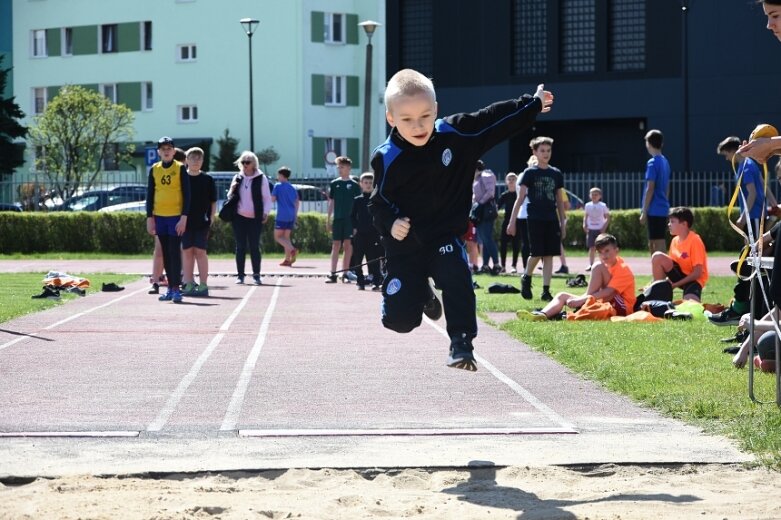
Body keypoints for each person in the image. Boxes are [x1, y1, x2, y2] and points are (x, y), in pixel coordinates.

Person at [368, 68, 553, 371]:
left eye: (425, 116)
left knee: (456, 275)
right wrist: (390, 223)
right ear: (391, 118)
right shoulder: (386, 157)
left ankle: (461, 343)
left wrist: (531, 104)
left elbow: (493, 119)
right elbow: (378, 203)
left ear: (436, 110)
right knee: (398, 321)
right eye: (407, 120)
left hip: (444, 236)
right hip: (406, 247)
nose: (418, 126)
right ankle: (423, 294)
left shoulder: (456, 134)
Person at [516, 233, 635, 321]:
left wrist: (582, 299)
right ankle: (542, 315)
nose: (604, 255)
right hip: (607, 300)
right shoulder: (605, 266)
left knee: (597, 266)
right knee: (562, 295)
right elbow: (602, 293)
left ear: (616, 250)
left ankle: (582, 304)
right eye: (600, 252)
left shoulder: (623, 269)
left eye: (607, 251)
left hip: (623, 306)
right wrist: (583, 298)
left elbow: (609, 292)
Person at [507, 136, 567, 302]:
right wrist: (512, 221)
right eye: (542, 150)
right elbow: (520, 199)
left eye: (548, 150)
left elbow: (560, 201)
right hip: (534, 218)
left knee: (549, 255)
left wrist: (563, 223)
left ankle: (546, 290)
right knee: (536, 253)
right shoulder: (529, 173)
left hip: (551, 219)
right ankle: (527, 277)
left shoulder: (556, 173)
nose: (546, 153)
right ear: (535, 152)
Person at [145, 136, 190, 303]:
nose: (166, 151)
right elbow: (150, 195)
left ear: (173, 151)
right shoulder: (154, 169)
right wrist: (150, 217)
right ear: (158, 152)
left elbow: (187, 194)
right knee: (165, 252)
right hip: (160, 217)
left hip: (176, 217)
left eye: (169, 148)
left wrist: (184, 218)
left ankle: (176, 289)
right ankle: (170, 288)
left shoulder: (180, 168)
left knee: (174, 252)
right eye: (163, 149)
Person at [228, 151, 272, 285]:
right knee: (240, 246)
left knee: (254, 246)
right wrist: (233, 189)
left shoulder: (261, 178)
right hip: (239, 217)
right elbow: (230, 196)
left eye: (248, 162)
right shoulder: (237, 177)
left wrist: (265, 213)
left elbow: (267, 198)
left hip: (255, 218)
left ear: (254, 164)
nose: (245, 164)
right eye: (243, 162)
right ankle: (240, 275)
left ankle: (256, 275)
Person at [650, 206, 709, 302]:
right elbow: (670, 267)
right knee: (657, 256)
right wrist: (653, 284)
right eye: (669, 222)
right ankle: (658, 295)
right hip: (680, 277)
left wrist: (674, 285)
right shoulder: (674, 241)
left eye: (672, 222)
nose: (669, 224)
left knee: (690, 308)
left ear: (684, 224)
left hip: (694, 280)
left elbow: (697, 273)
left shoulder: (695, 240)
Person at [180, 147, 216, 297]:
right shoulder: (181, 178)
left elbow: (213, 201)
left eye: (198, 158)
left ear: (202, 161)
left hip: (202, 221)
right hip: (184, 221)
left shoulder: (207, 180)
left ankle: (203, 285)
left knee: (200, 252)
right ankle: (188, 283)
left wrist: (212, 217)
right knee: (187, 251)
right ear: (186, 160)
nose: (195, 161)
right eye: (192, 158)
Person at [718, 136, 767, 238]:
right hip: (754, 215)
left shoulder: (746, 167)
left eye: (726, 155)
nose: (727, 158)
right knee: (751, 249)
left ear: (733, 151)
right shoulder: (749, 163)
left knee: (755, 251)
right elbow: (763, 184)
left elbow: (752, 193)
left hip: (754, 215)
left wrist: (743, 218)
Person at [325, 156, 359, 283]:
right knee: (335, 245)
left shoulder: (354, 185)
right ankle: (333, 273)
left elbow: (358, 205)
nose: (339, 169)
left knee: (348, 245)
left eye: (342, 167)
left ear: (349, 168)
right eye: (338, 167)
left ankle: (345, 273)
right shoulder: (335, 183)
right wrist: (328, 220)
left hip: (349, 220)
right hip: (338, 219)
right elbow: (331, 202)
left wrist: (356, 223)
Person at [639, 129, 671, 255]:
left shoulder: (652, 163)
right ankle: (659, 272)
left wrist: (644, 211)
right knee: (656, 241)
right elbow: (667, 185)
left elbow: (650, 188)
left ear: (648, 144)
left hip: (654, 208)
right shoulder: (665, 161)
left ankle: (660, 272)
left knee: (656, 243)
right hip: (662, 206)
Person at [351, 172, 384, 290]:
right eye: (365, 182)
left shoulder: (376, 199)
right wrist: (355, 228)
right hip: (360, 234)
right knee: (358, 258)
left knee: (373, 259)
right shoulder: (357, 200)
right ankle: (360, 281)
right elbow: (352, 216)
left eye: (370, 182)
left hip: (374, 234)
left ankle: (376, 281)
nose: (368, 185)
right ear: (361, 184)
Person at [472, 160, 501, 274]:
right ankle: (485, 264)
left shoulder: (485, 175)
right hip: (480, 211)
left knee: (487, 238)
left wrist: (480, 203)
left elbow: (490, 192)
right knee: (484, 239)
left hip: (486, 210)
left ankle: (496, 264)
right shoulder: (477, 178)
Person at [271, 166, 300, 267]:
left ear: (282, 175)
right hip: (291, 215)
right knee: (286, 238)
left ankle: (293, 250)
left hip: (282, 215)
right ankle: (287, 260)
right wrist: (295, 215)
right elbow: (297, 202)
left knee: (277, 237)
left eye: (278, 175)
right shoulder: (292, 187)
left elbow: (272, 199)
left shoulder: (278, 186)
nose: (277, 177)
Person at [497, 172, 521, 273]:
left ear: (517, 181)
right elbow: (496, 207)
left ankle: (514, 266)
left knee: (516, 244)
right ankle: (502, 266)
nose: (511, 181)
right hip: (506, 221)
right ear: (506, 182)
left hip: (518, 221)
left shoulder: (519, 195)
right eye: (509, 179)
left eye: (513, 179)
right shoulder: (504, 195)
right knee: (503, 244)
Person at [583, 187, 610, 271]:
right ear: (590, 195)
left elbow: (608, 218)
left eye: (596, 194)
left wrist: (604, 227)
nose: (594, 196)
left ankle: (603, 263)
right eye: (592, 194)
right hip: (591, 229)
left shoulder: (603, 205)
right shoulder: (588, 205)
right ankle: (591, 264)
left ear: (600, 196)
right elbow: (585, 216)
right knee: (591, 248)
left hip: (599, 229)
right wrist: (584, 224)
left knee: (601, 248)